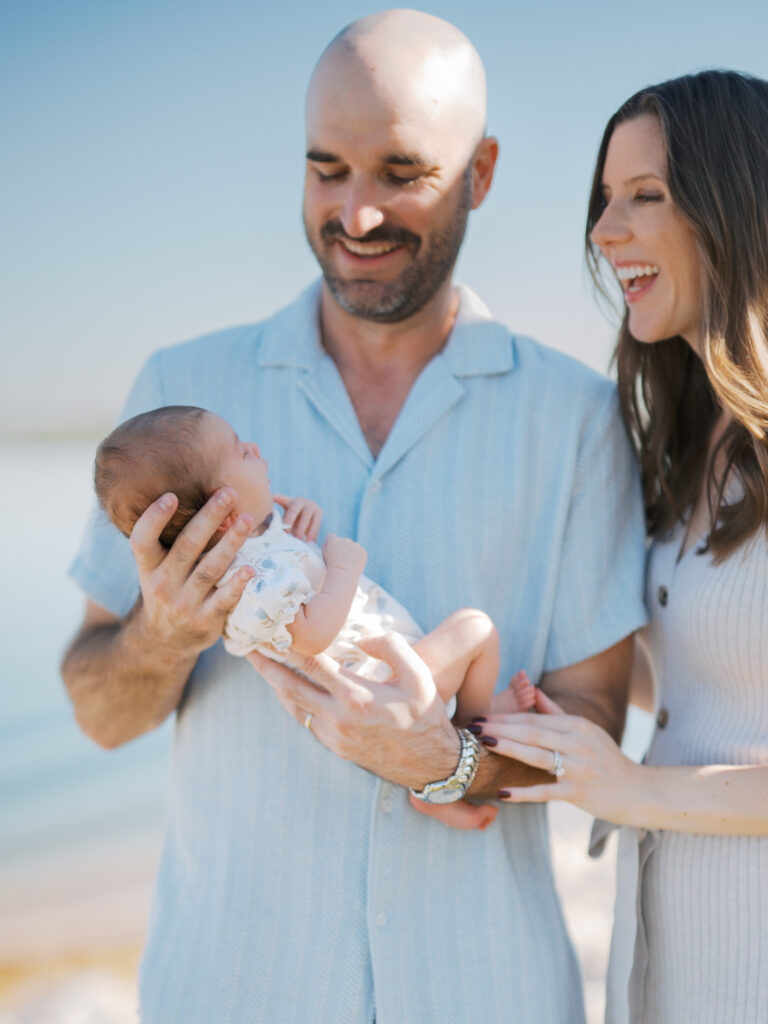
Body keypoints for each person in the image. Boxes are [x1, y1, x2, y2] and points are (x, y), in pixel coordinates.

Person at [61, 10, 647, 1023]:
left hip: (485, 992)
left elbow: (595, 718)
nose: (356, 212)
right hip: (230, 990)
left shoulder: (580, 419)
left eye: (399, 171)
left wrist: (446, 761)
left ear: (483, 173)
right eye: (326, 168)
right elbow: (95, 708)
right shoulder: (180, 388)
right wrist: (163, 634)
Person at [478, 70, 768, 1024]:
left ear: (737, 207)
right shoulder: (700, 439)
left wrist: (631, 785)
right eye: (605, 200)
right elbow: (702, 674)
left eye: (645, 197)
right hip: (667, 956)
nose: (604, 233)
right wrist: (556, 703)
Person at [94, 402, 533, 831]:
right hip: (379, 683)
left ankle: (434, 783)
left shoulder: (249, 550)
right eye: (242, 451)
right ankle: (473, 728)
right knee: (474, 628)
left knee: (466, 642)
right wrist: (344, 565)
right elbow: (310, 634)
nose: (256, 449)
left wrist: (295, 517)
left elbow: (289, 564)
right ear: (221, 509)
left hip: (382, 679)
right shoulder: (250, 579)